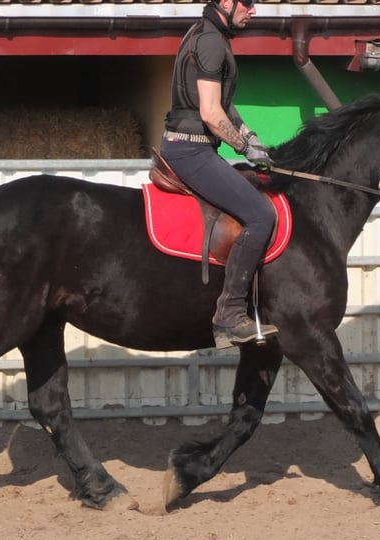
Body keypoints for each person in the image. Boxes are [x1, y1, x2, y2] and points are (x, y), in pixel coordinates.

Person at [160, 0, 279, 349]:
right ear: (226, 1)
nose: (253, 10)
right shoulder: (211, 41)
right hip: (191, 149)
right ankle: (229, 317)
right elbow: (211, 114)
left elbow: (223, 103)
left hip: (194, 146)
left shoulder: (205, 33)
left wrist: (248, 135)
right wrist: (244, 147)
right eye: (249, 3)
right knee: (260, 215)